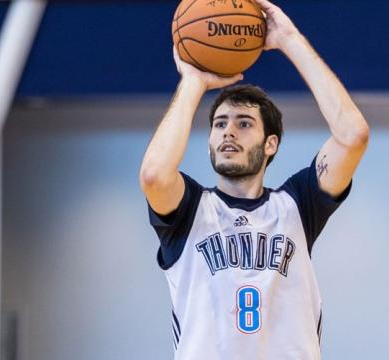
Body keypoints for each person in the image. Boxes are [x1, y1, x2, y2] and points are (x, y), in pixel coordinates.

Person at [139, 0, 369, 359]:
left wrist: (290, 39)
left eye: (244, 123)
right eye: (220, 123)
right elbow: (154, 174)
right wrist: (193, 82)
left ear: (271, 143)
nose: (229, 131)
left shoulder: (298, 205)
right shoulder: (189, 212)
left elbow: (352, 135)